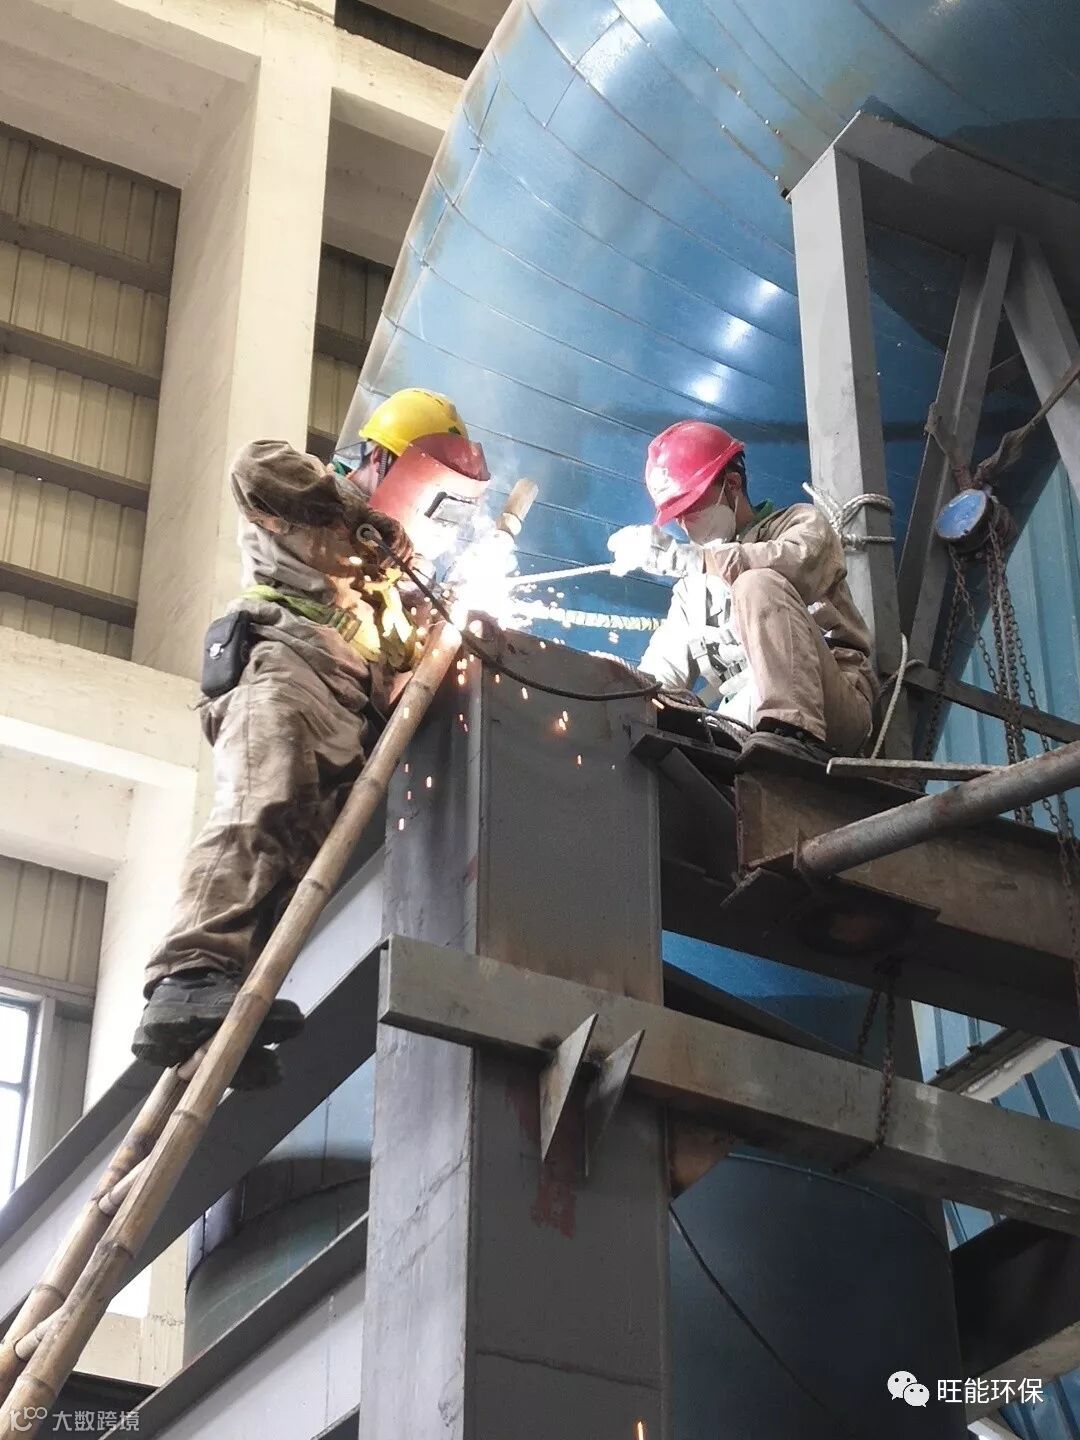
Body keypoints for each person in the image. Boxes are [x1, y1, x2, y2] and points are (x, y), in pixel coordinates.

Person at [132, 388, 470, 1088]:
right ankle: (187, 977)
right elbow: (251, 467)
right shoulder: (311, 503)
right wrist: (360, 518)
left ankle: (217, 1026)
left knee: (293, 872)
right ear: (385, 461)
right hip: (285, 675)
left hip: (346, 722)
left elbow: (405, 664)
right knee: (262, 806)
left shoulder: (389, 577)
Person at [608, 420, 877, 765]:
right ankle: (768, 736)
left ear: (732, 484)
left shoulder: (802, 524)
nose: (684, 523)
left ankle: (791, 734)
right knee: (673, 714)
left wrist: (696, 560)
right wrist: (612, 680)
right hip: (747, 719)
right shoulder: (691, 592)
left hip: (833, 705)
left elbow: (793, 566)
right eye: (677, 515)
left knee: (756, 583)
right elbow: (662, 675)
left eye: (691, 507)